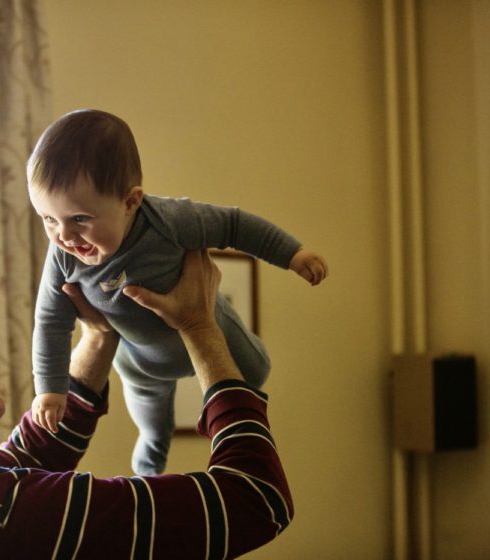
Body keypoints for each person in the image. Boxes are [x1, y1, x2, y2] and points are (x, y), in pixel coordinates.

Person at [0, 250, 293, 559]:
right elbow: (255, 498)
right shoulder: (10, 520)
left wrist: (99, 335)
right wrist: (199, 326)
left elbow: (30, 452)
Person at [28, 108, 328, 474]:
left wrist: (293, 254)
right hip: (140, 362)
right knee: (153, 427)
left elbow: (234, 225)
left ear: (130, 202)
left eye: (79, 219)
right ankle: (149, 470)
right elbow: (49, 322)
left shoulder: (168, 221)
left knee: (256, 371)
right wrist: (50, 388)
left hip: (209, 326)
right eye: (48, 219)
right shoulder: (62, 256)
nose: (64, 236)